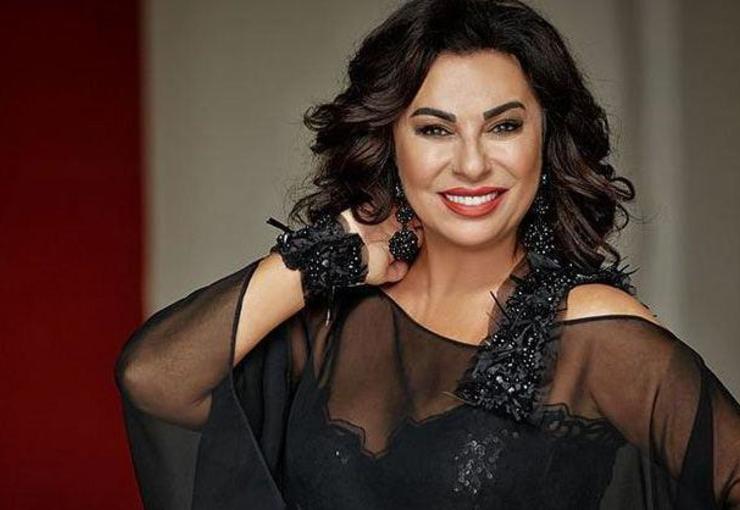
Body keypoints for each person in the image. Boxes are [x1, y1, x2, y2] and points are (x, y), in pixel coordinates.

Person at [114, 0, 740, 508]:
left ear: (545, 139)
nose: (471, 163)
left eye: (503, 126)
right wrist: (322, 259)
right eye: (435, 129)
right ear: (389, 142)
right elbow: (154, 379)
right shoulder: (331, 317)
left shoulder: (595, 333)